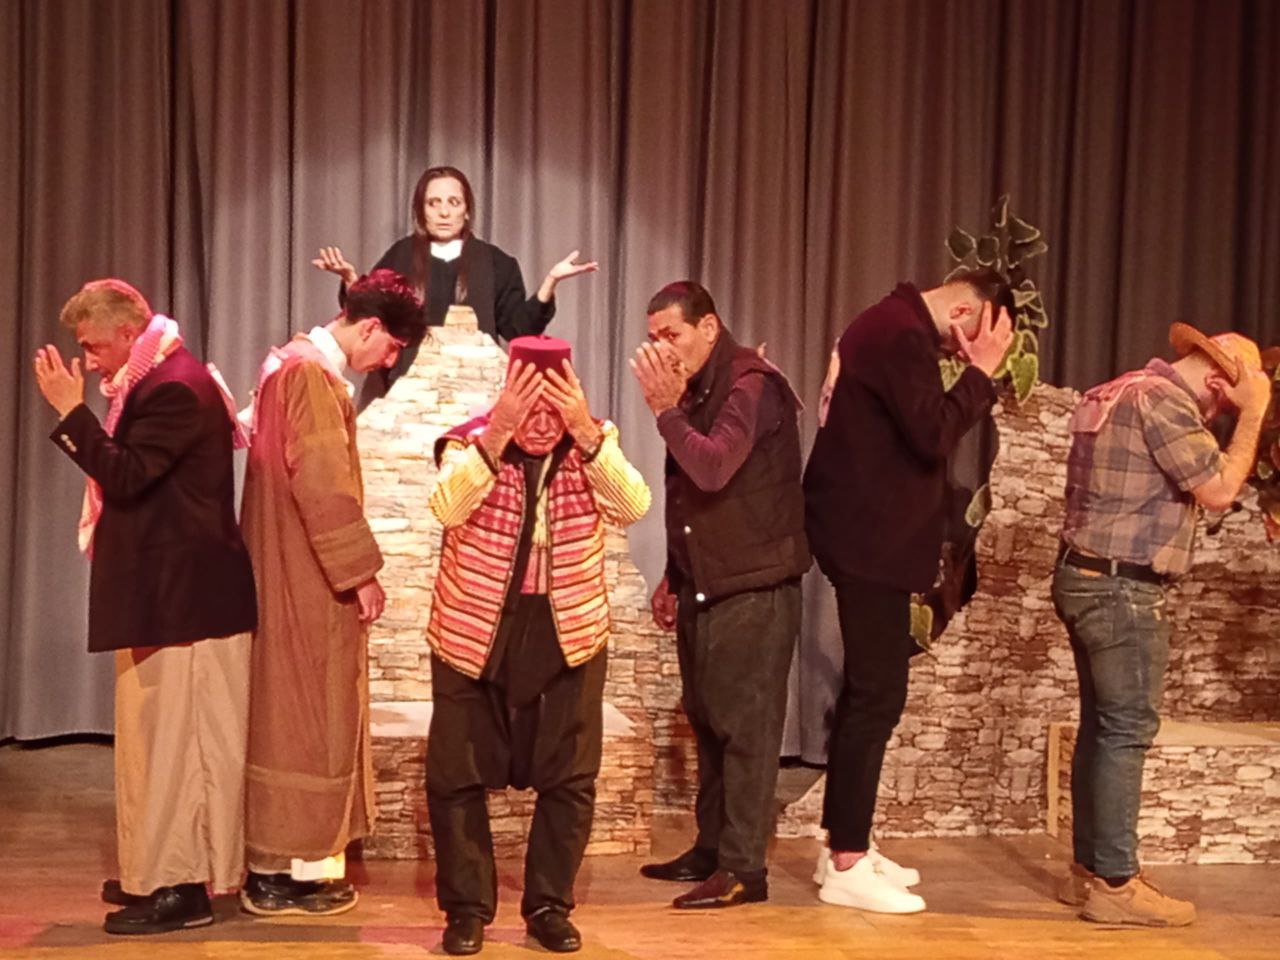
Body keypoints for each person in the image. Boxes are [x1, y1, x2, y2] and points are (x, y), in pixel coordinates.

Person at [33, 279, 258, 934]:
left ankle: (183, 889)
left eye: (93, 347)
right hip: (166, 597)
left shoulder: (174, 388)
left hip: (185, 601)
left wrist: (71, 413)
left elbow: (127, 475)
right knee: (151, 745)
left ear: (128, 333)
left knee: (179, 750)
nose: (88, 361)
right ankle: (155, 869)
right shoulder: (151, 380)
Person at [425, 335, 650, 955]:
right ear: (509, 398)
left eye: (557, 408)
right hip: (473, 633)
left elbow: (633, 505)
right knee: (456, 776)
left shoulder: (593, 442)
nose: (545, 424)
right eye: (533, 408)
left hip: (568, 632)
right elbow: (447, 508)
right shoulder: (470, 443)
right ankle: (466, 909)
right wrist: (498, 432)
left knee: (571, 778)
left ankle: (549, 905)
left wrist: (587, 431)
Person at [802, 269, 1014, 914]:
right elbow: (932, 435)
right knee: (877, 695)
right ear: (967, 313)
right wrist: (982, 372)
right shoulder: (898, 334)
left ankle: (844, 842)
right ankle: (847, 861)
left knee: (869, 694)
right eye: (988, 334)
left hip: (869, 538)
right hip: (869, 542)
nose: (968, 349)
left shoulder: (894, 326)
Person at [1052, 323, 1270, 927]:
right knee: (1125, 731)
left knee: (1104, 728)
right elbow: (1219, 489)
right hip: (1121, 588)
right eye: (1231, 400)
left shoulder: (1115, 389)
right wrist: (1255, 414)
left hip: (1084, 575)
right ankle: (1116, 885)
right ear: (1220, 380)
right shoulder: (1164, 401)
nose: (1223, 414)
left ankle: (1091, 870)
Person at [238, 269, 427, 916]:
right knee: (307, 717)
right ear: (370, 327)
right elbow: (322, 483)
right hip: (306, 577)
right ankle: (285, 871)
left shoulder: (288, 365)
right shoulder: (310, 379)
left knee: (293, 711)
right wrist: (360, 573)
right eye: (392, 347)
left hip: (289, 565)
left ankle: (281, 866)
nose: (389, 361)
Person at [629, 281, 810, 909]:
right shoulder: (696, 389)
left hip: (755, 586)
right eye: (654, 339)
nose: (662, 349)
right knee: (707, 721)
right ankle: (711, 850)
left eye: (672, 335)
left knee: (746, 731)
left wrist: (664, 411)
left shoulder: (750, 386)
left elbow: (711, 467)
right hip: (707, 583)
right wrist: (674, 575)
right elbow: (692, 498)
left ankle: (743, 870)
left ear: (709, 328)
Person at [313, 164, 597, 404]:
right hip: (407, 396)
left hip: (475, 397)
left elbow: (518, 330)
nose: (444, 213)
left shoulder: (496, 263)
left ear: (467, 210)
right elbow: (370, 316)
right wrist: (350, 279)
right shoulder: (400, 256)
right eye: (433, 203)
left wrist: (550, 282)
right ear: (421, 211)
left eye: (453, 202)